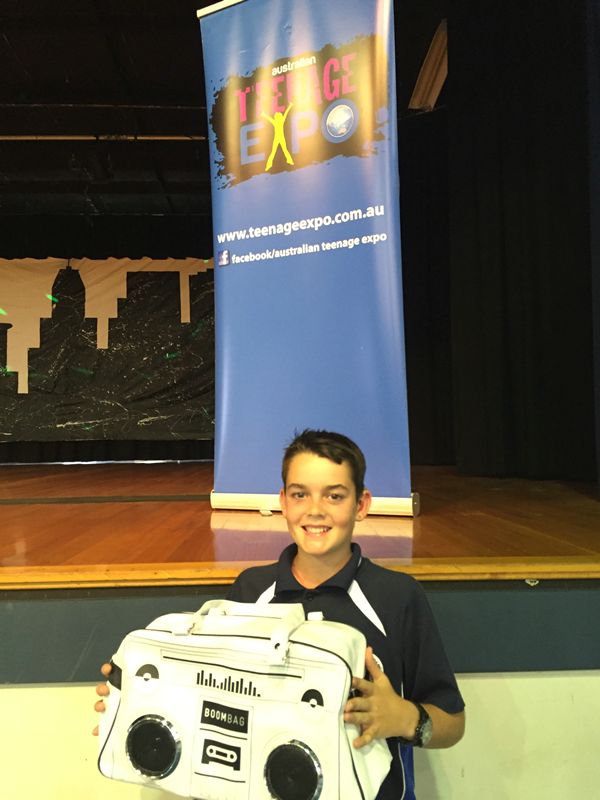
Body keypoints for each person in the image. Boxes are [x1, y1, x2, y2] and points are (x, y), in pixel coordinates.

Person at [95, 429, 465, 799]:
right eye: (300, 494)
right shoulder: (251, 590)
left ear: (361, 505)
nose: (315, 509)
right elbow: (214, 695)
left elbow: (453, 722)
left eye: (335, 495)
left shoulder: (397, 596)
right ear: (283, 502)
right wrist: (138, 701)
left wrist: (406, 719)